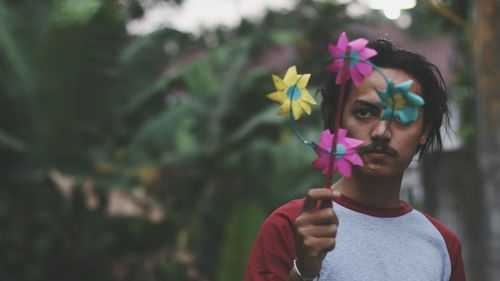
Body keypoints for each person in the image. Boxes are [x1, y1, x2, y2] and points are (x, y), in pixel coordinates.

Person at [244, 39, 466, 281]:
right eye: (364, 112)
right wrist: (303, 270)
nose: (381, 132)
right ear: (336, 120)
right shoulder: (291, 227)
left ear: (424, 131)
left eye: (402, 117)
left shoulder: (442, 245)